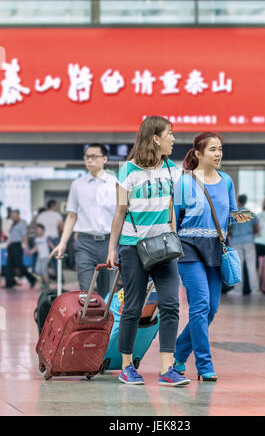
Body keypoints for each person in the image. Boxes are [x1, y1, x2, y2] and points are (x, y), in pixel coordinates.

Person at [106, 116, 191, 387]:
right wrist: (112, 249)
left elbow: (170, 208)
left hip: (164, 247)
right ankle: (127, 366)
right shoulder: (127, 170)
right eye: (170, 134)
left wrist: (175, 236)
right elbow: (120, 212)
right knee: (132, 307)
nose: (173, 139)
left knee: (171, 304)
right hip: (133, 248)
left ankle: (167, 368)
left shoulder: (171, 170)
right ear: (155, 138)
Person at [172, 132, 251, 381]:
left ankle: (178, 355)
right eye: (213, 150)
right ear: (198, 153)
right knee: (200, 305)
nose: (218, 154)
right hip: (189, 246)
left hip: (216, 246)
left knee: (211, 310)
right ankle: (204, 365)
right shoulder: (184, 183)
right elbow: (173, 218)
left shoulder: (226, 180)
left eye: (220, 149)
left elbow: (231, 212)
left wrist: (242, 216)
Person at [50, 143, 117, 298]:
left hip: (109, 243)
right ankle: (87, 321)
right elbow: (72, 215)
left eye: (94, 156)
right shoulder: (77, 185)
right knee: (85, 292)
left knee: (107, 293)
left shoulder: (115, 184)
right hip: (84, 243)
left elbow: (121, 214)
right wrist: (62, 243)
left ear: (105, 159)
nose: (90, 160)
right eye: (87, 156)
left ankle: (105, 322)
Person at [228, 194, 259, 294]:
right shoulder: (250, 213)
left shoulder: (233, 214)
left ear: (238, 201)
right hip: (249, 240)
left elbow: (228, 229)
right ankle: (255, 290)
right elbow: (256, 228)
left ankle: (238, 290)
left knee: (238, 266)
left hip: (236, 242)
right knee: (251, 266)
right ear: (245, 201)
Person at [3, 209, 36, 289]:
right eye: (11, 215)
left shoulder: (21, 224)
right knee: (9, 265)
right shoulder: (13, 224)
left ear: (18, 215)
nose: (12, 216)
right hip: (11, 246)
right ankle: (9, 283)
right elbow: (11, 237)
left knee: (19, 265)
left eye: (14, 215)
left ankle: (32, 279)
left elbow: (25, 236)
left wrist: (27, 248)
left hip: (17, 246)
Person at [37, 200, 64, 281]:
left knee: (42, 261)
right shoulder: (57, 215)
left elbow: (38, 228)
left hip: (43, 240)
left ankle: (44, 281)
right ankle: (60, 280)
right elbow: (62, 228)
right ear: (54, 205)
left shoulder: (41, 215)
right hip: (53, 239)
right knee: (56, 261)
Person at [30, 224, 54, 288]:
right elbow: (36, 247)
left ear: (43, 230)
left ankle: (47, 284)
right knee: (37, 270)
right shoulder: (36, 239)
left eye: (39, 229)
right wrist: (31, 252)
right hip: (39, 257)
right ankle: (45, 281)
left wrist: (55, 251)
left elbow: (51, 245)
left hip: (46, 256)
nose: (38, 231)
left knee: (43, 270)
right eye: (37, 230)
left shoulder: (46, 238)